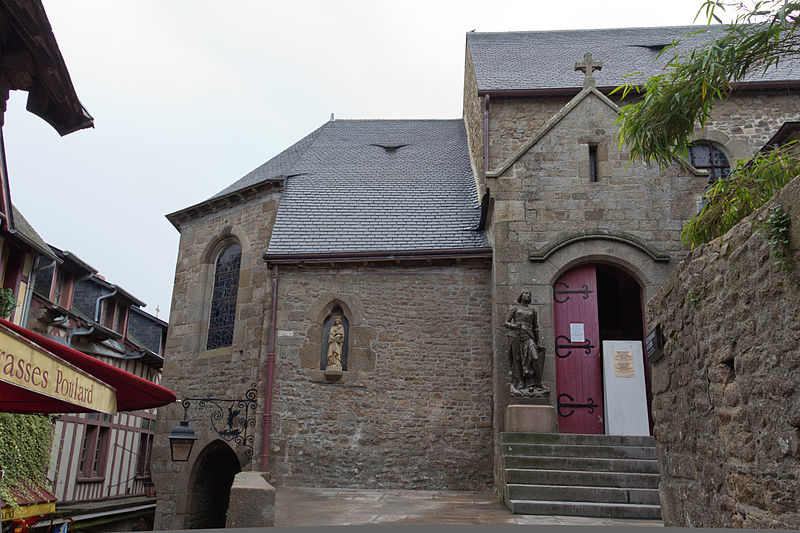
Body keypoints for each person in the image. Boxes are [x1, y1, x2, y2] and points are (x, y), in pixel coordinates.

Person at [505, 290, 548, 397]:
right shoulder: (515, 308)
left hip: (529, 335)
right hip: (517, 335)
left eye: (529, 294)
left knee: (535, 357)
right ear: (521, 295)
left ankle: (539, 382)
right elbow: (506, 323)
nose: (527, 295)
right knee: (518, 359)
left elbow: (535, 327)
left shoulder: (532, 310)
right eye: (525, 293)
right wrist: (515, 326)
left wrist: (537, 342)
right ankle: (521, 382)